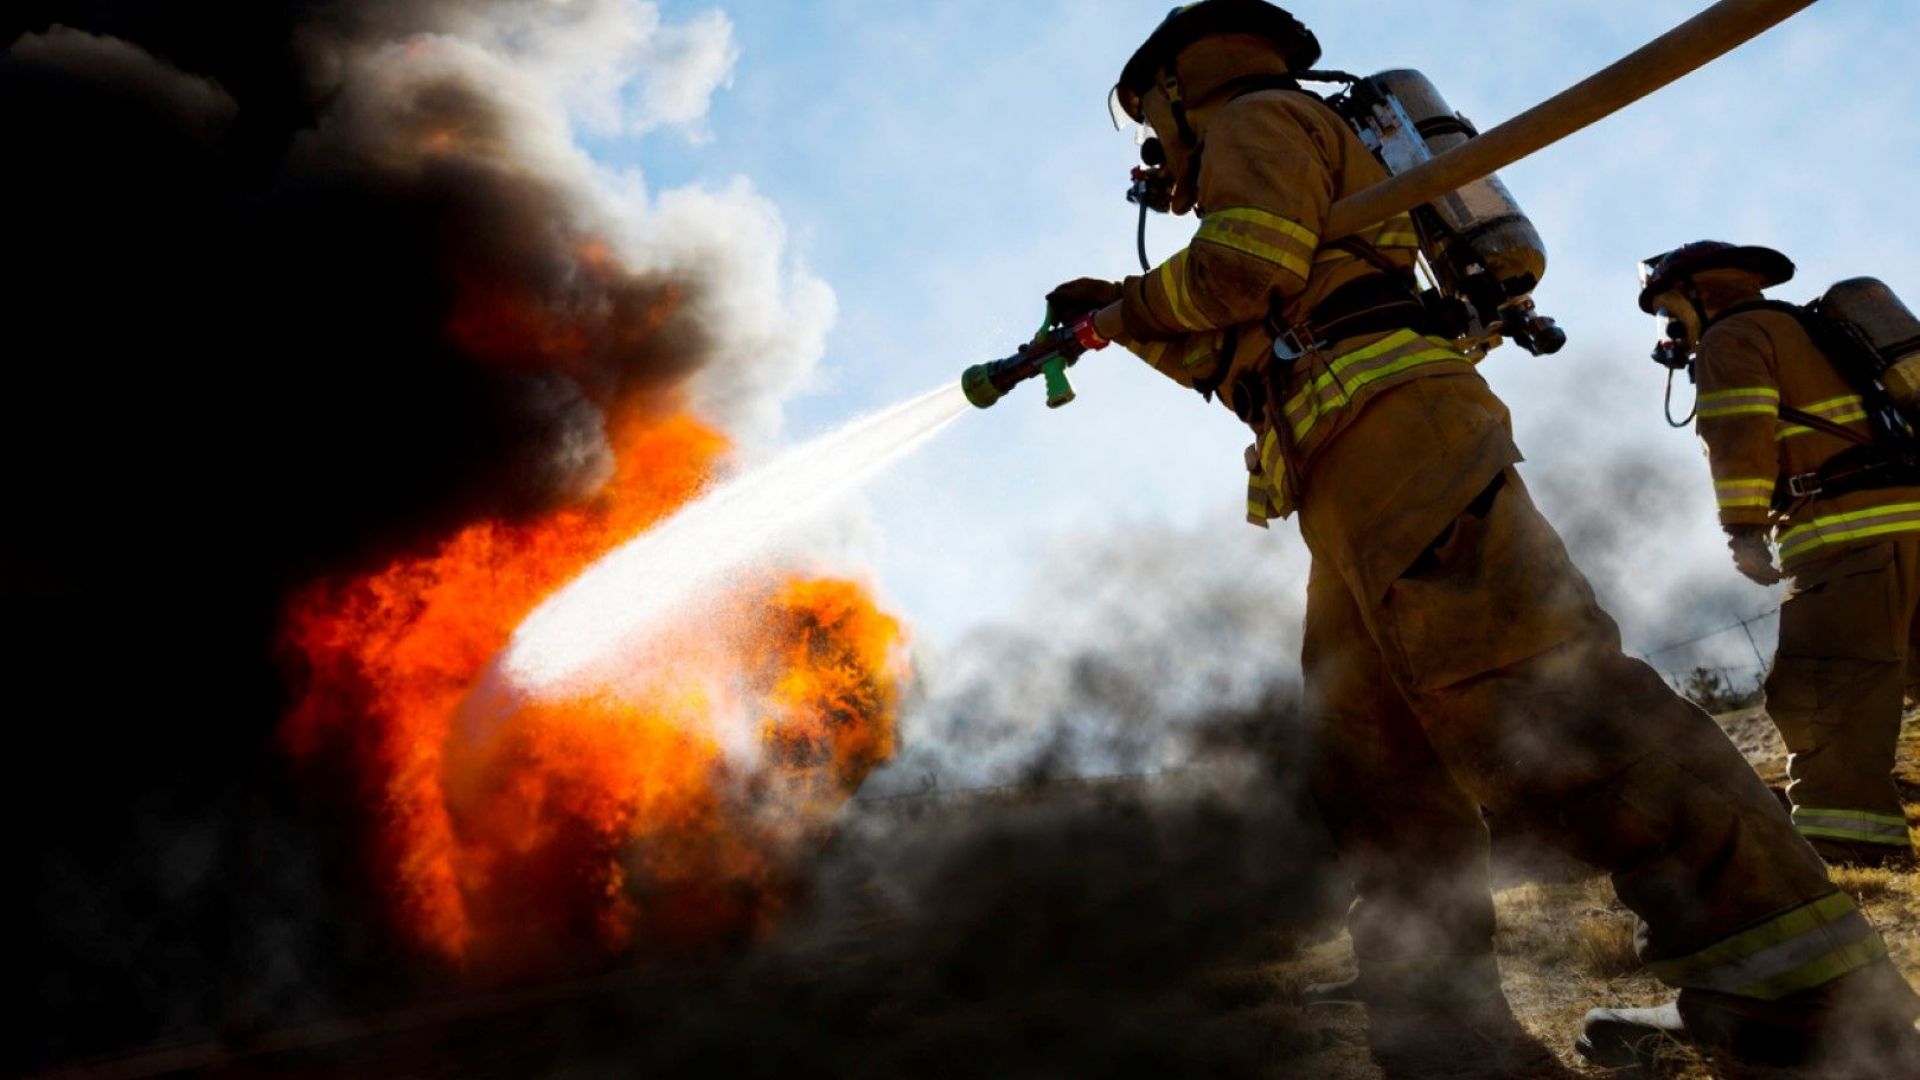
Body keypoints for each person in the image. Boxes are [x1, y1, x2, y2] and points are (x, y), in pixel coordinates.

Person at [1042, 2, 1920, 1071]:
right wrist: (1114, 318)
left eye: (1150, 121)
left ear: (1178, 86)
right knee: (1375, 773)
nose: (1155, 151)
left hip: (1401, 449)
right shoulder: (1297, 160)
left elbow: (1238, 273)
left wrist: (1131, 300)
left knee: (1545, 697)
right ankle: (1446, 1047)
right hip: (1346, 491)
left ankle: (1810, 1016)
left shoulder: (1255, 119)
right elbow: (1242, 348)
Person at [1640, 240, 1920, 869]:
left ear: (1697, 292)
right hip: (1912, 517)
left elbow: (1739, 434)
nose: (1670, 330)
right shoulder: (1817, 330)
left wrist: (1743, 530)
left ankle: (1854, 851)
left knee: (1825, 691)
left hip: (1851, 537)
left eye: (1668, 312)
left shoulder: (1733, 339)